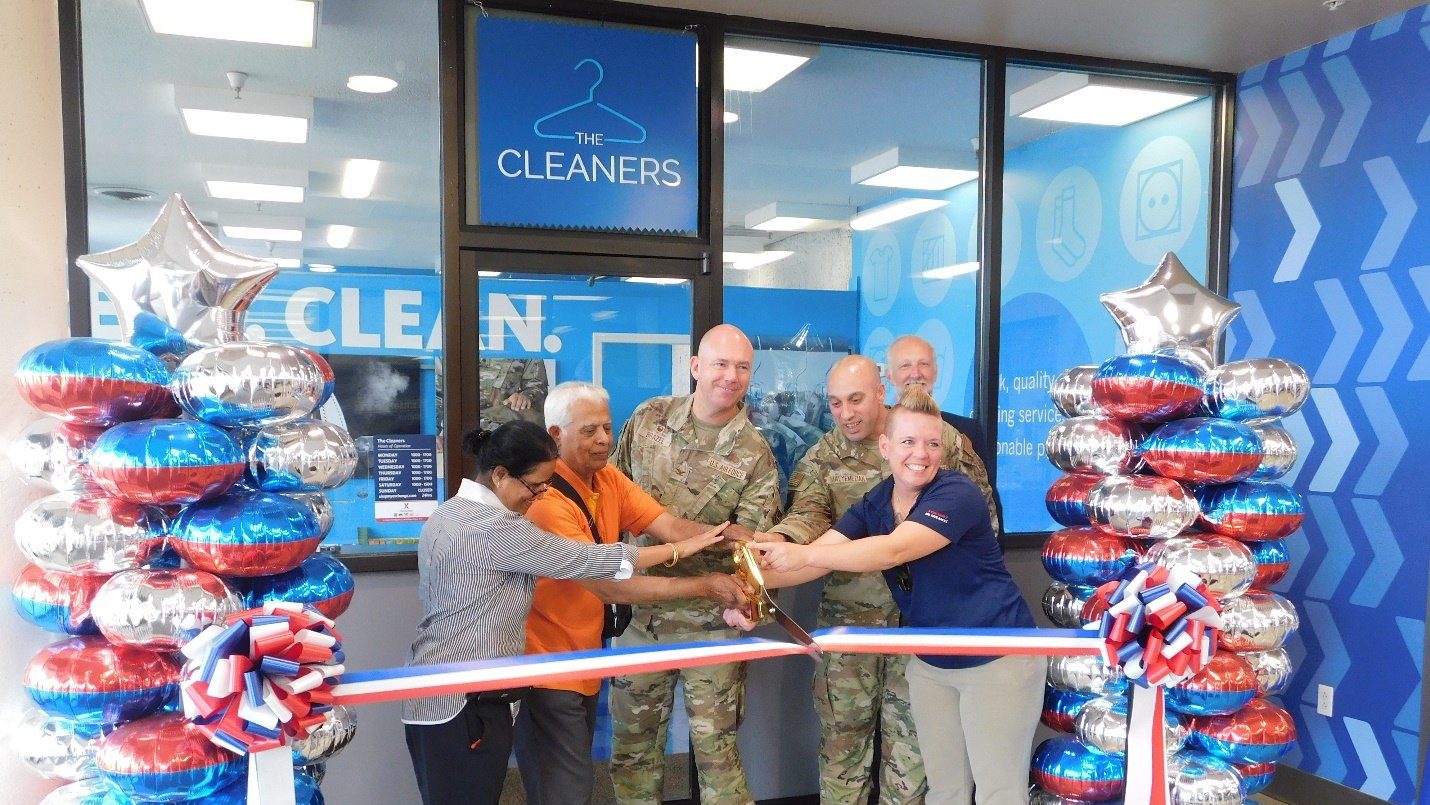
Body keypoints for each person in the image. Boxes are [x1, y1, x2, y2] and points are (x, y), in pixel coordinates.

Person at [738, 386, 1046, 805]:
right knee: (944, 789)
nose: (921, 453)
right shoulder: (878, 500)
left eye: (932, 443)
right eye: (908, 441)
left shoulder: (958, 493)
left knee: (999, 792)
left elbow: (895, 548)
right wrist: (751, 588)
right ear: (885, 446)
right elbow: (823, 558)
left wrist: (800, 552)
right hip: (930, 662)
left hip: (996, 660)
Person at [401, 421, 730, 805]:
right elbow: (589, 560)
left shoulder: (448, 514)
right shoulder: (497, 529)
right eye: (536, 486)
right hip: (466, 702)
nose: (540, 496)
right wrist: (679, 550)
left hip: (432, 694)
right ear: (500, 474)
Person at [515, 381, 752, 805]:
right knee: (565, 789)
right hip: (546, 671)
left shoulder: (606, 479)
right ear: (556, 434)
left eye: (607, 427)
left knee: (572, 784)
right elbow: (609, 584)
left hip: (582, 662)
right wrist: (702, 585)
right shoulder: (546, 501)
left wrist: (724, 536)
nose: (604, 439)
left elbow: (667, 523)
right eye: (589, 431)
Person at [607, 323, 782, 805]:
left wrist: (749, 599)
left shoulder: (756, 456)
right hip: (641, 617)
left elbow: (750, 551)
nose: (731, 376)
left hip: (712, 626)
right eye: (721, 364)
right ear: (696, 367)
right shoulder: (649, 418)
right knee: (633, 753)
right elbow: (613, 496)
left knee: (717, 757)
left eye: (742, 367)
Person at [884, 334, 1002, 530]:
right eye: (905, 366)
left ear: (936, 372)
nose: (916, 373)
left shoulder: (966, 431)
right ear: (889, 376)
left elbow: (989, 509)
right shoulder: (879, 429)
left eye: (924, 364)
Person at [479, 356, 548, 430]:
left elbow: (537, 384)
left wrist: (524, 397)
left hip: (506, 414)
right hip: (469, 413)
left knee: (535, 421)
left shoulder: (524, 346)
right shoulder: (470, 347)